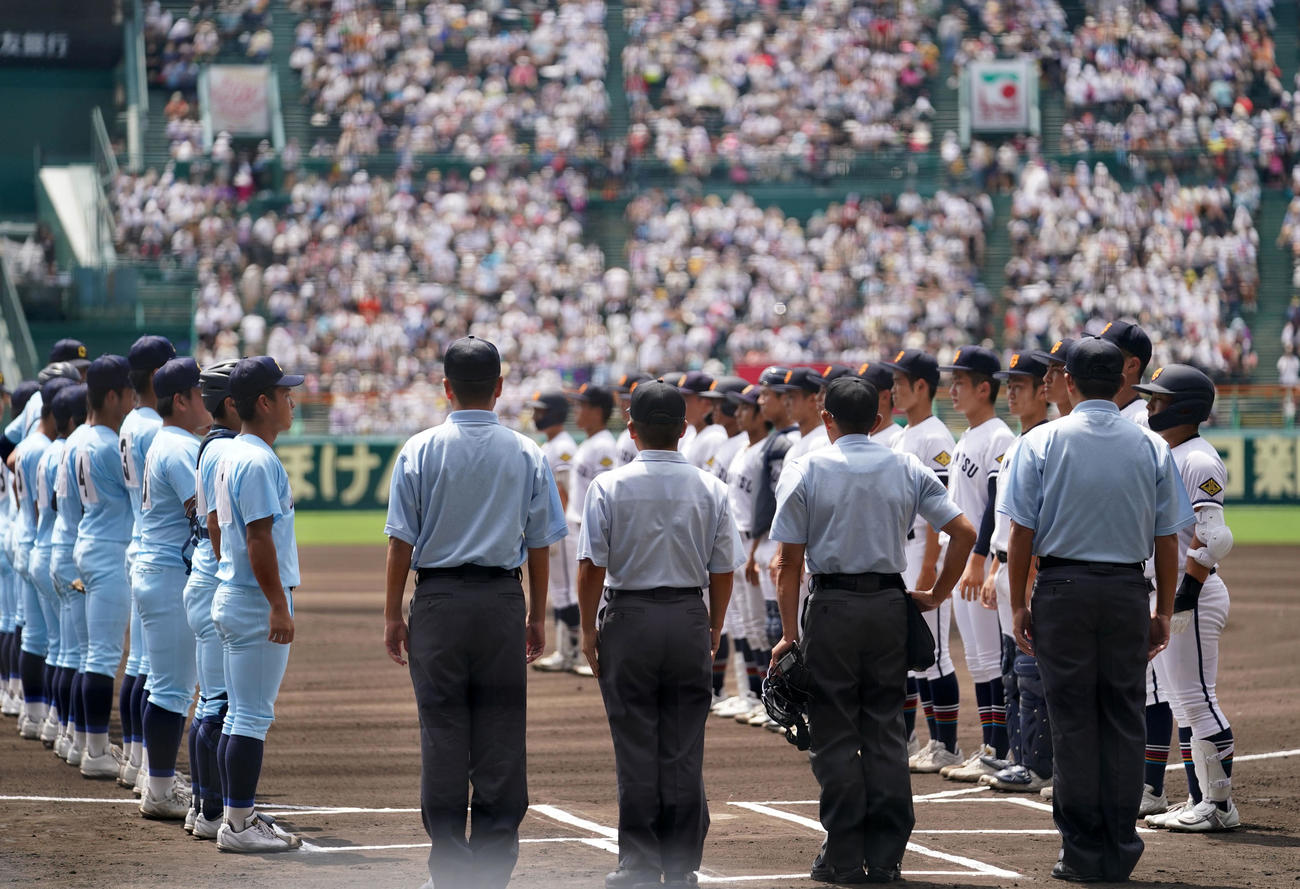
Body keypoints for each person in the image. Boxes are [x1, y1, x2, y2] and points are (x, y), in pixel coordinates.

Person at [1001, 336, 1194, 883]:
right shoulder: (1151, 447)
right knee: (1124, 720)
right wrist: (1161, 608)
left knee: (1073, 723)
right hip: (1126, 591)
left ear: (1067, 382)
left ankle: (1082, 852)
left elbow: (1021, 532)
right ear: (1122, 382)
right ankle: (1119, 847)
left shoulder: (1043, 442)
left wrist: (1019, 603)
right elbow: (1167, 539)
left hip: (1062, 589)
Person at [769, 376, 976, 884]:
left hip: (832, 608)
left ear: (826, 419)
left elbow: (787, 564)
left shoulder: (807, 468)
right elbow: (964, 531)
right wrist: (939, 593)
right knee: (885, 731)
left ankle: (841, 855)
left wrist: (789, 634)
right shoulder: (905, 464)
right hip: (888, 604)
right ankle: (885, 857)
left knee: (835, 734)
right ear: (880, 420)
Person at [383, 336, 566, 889]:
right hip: (501, 603)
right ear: (500, 388)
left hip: (437, 602)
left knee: (442, 733)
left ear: (446, 388)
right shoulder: (526, 450)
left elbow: (400, 543)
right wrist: (536, 615)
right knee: (501, 732)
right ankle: (492, 868)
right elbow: (541, 544)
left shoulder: (419, 449)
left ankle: (448, 870)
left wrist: (393, 613)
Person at [577, 379, 743, 889]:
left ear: (631, 429)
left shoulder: (608, 485)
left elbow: (590, 568)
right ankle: (681, 864)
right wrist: (712, 625)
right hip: (688, 615)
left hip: (629, 619)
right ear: (684, 429)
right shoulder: (711, 487)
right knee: (683, 746)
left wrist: (587, 630)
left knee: (635, 744)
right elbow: (722, 570)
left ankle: (640, 862)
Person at [1135, 366, 1240, 833]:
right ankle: (1202, 799)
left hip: (1190, 597)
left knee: (1197, 700)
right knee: (1183, 702)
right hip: (1175, 598)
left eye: (1157, 399)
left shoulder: (1198, 459)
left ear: (1182, 407)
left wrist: (1184, 598)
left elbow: (1215, 538)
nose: (1150, 405)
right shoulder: (1170, 451)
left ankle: (1219, 806)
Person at [210, 356, 305, 852]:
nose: (292, 400)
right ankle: (240, 827)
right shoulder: (258, 459)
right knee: (249, 717)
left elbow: (216, 526)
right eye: (284, 393)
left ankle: (237, 817)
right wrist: (277, 605)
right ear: (263, 402)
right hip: (252, 599)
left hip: (232, 593)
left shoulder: (229, 451)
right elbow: (259, 539)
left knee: (236, 714)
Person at [134, 357, 212, 821]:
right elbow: (201, 515)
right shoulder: (180, 446)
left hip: (158, 570)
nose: (207, 401)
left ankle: (156, 780)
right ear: (180, 400)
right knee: (170, 690)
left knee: (166, 685)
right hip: (167, 574)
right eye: (200, 393)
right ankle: (159, 789)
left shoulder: (171, 440)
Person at [1101, 320, 1174, 816]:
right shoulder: (1114, 419)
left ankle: (1150, 785)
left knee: (1150, 684)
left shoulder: (1144, 426)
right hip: (1116, 572)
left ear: (1130, 365)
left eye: (1109, 352)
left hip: (1138, 571)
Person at [881, 349, 961, 771]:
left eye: (900, 381)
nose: (894, 388)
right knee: (910, 652)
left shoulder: (935, 435)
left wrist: (931, 563)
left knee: (935, 654)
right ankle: (920, 741)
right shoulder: (900, 434)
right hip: (902, 548)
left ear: (922, 386)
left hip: (922, 549)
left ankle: (946, 744)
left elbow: (940, 509)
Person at [938, 346, 1016, 782]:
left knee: (990, 658)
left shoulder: (998, 437)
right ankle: (990, 744)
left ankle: (999, 747)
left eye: (961, 383)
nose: (952, 390)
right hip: (965, 562)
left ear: (984, 388)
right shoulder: (967, 436)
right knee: (979, 660)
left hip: (979, 564)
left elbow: (992, 508)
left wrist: (979, 560)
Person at [980, 351, 1052, 793]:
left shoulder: (1047, 442)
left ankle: (1039, 764)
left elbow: (1037, 522)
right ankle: (1019, 757)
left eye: (1019, 385)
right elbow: (1005, 521)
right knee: (1012, 670)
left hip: (1032, 571)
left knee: (1031, 673)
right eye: (1009, 385)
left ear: (1044, 390)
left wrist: (1024, 578)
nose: (1011, 392)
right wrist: (994, 565)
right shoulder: (1018, 444)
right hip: (1008, 566)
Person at [183, 359, 240, 840]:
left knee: (209, 701)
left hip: (199, 575)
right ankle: (213, 811)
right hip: (213, 577)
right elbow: (219, 524)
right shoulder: (227, 451)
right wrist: (229, 573)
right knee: (219, 704)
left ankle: (204, 807)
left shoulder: (210, 446)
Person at [119, 334, 178, 790]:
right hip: (156, 547)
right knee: (149, 669)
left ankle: (137, 760)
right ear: (158, 375)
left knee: (141, 664)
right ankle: (144, 764)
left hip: (140, 542)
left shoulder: (129, 422)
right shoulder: (153, 427)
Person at [74, 355, 137, 780]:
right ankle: (95, 748)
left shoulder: (81, 436)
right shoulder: (105, 444)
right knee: (103, 655)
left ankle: (87, 741)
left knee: (92, 653)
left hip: (91, 540)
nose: (133, 400)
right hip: (110, 547)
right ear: (112, 395)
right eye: (129, 392)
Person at [12, 376, 74, 741]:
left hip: (30, 538)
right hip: (40, 540)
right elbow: (38, 504)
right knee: (47, 639)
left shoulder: (32, 445)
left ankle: (37, 712)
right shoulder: (42, 448)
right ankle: (41, 713)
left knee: (37, 634)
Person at [715, 384, 773, 724]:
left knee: (760, 627)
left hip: (756, 540)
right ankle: (752, 694)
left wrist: (753, 549)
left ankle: (766, 697)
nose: (737, 413)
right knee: (744, 625)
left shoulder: (768, 448)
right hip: (735, 538)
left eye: (744, 408)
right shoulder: (742, 449)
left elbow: (767, 506)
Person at [30, 377, 78, 747]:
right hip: (65, 550)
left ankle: (56, 725)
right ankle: (71, 733)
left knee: (60, 648)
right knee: (75, 653)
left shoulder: (49, 451)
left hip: (45, 545)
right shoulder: (67, 450)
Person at [50, 383, 91, 767]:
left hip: (58, 546)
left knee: (68, 651)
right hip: (77, 552)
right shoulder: (86, 442)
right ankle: (79, 739)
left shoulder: (58, 449)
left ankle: (65, 731)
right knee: (85, 656)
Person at [527, 391, 583, 674]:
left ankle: (570, 652)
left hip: (562, 530)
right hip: (556, 528)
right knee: (561, 592)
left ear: (555, 413)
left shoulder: (562, 446)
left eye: (541, 410)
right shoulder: (552, 444)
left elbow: (563, 491)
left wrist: (552, 527)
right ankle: (566, 651)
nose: (536, 416)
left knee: (566, 591)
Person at [614, 373, 653, 467]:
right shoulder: (626, 433)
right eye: (620, 397)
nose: (621, 404)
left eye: (627, 399)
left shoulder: (651, 438)